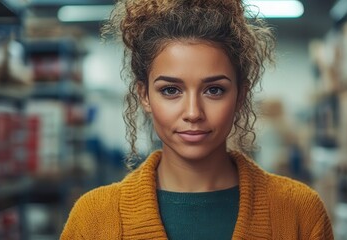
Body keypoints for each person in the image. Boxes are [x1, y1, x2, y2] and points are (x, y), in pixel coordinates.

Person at [61, 0, 333, 239]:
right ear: (144, 96)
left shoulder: (300, 213)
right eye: (171, 90)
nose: (193, 112)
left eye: (214, 90)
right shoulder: (93, 219)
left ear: (240, 96)